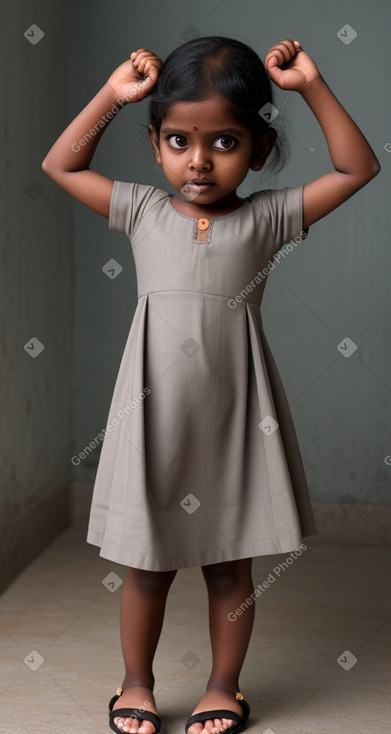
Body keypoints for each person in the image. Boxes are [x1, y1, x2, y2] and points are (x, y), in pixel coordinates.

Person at [42, 35, 380, 734]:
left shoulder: (266, 218)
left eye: (224, 142)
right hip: (152, 416)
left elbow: (356, 168)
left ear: (257, 149)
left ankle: (224, 688)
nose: (198, 161)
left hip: (235, 422)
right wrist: (112, 94)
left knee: (230, 570)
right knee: (147, 567)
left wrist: (310, 86)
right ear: (156, 142)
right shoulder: (139, 211)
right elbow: (60, 163)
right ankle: (135, 683)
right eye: (177, 140)